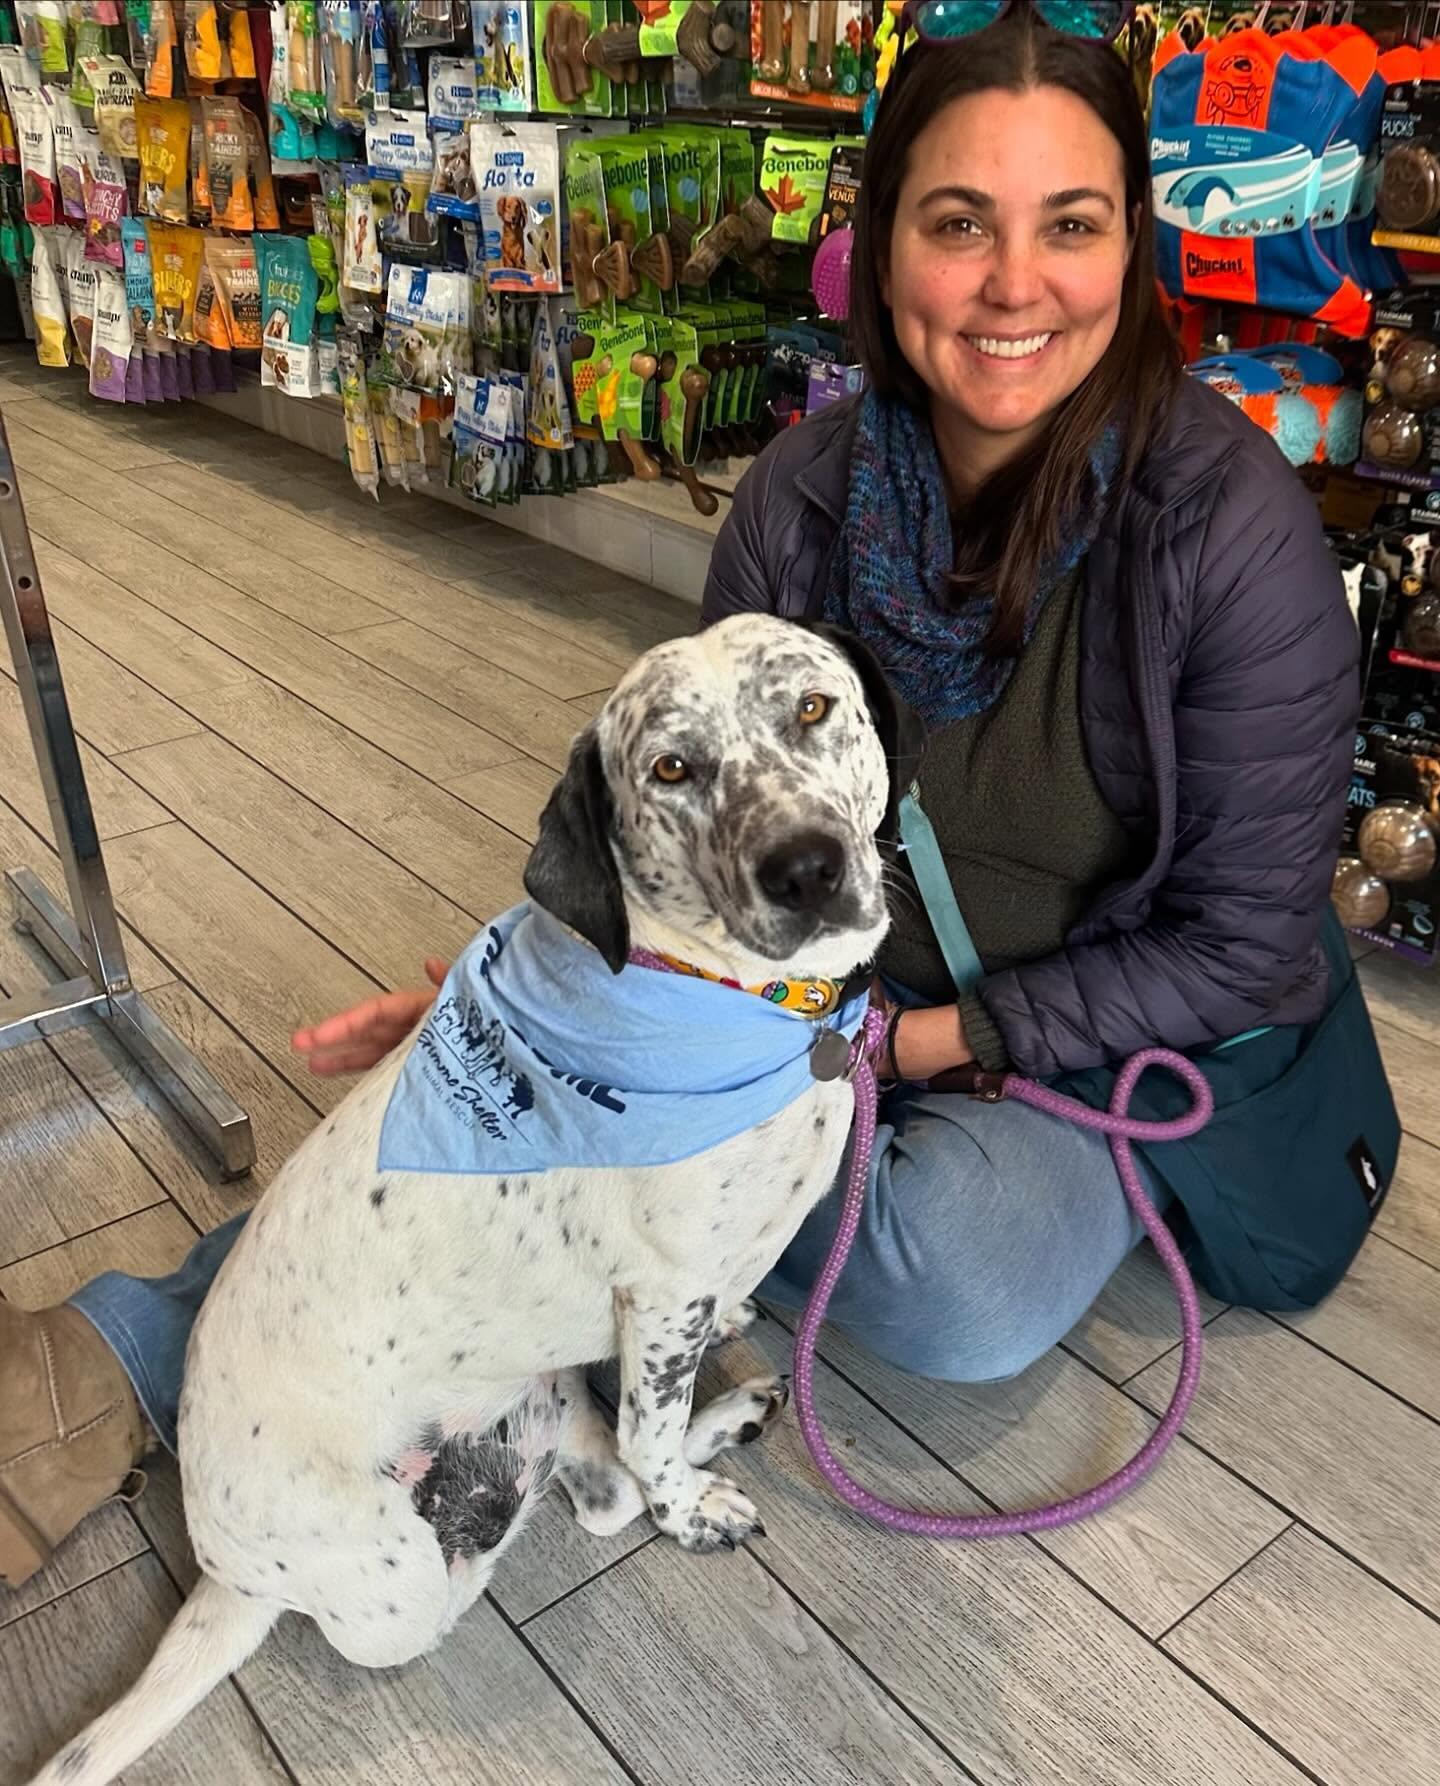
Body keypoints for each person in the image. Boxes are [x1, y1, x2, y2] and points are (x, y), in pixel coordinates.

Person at [2, 6, 1371, 1591]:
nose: (1013, 284)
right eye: (956, 223)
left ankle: (630, 1273)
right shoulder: (802, 503)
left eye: (1070, 225)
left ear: (1132, 243)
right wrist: (523, 1012)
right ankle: (122, 1358)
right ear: (882, 246)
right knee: (512, 1108)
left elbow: (1245, 946)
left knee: (958, 1287)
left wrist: (917, 1042)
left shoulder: (1237, 539)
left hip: (1075, 1026)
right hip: (793, 993)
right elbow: (675, 837)